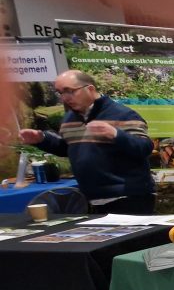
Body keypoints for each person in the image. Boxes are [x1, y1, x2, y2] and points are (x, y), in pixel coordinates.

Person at [19, 70, 156, 214]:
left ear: (90, 89)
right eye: (60, 93)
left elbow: (144, 148)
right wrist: (42, 139)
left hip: (128, 198)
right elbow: (69, 149)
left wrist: (116, 135)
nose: (65, 98)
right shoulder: (69, 119)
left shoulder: (123, 114)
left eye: (70, 91)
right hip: (90, 198)